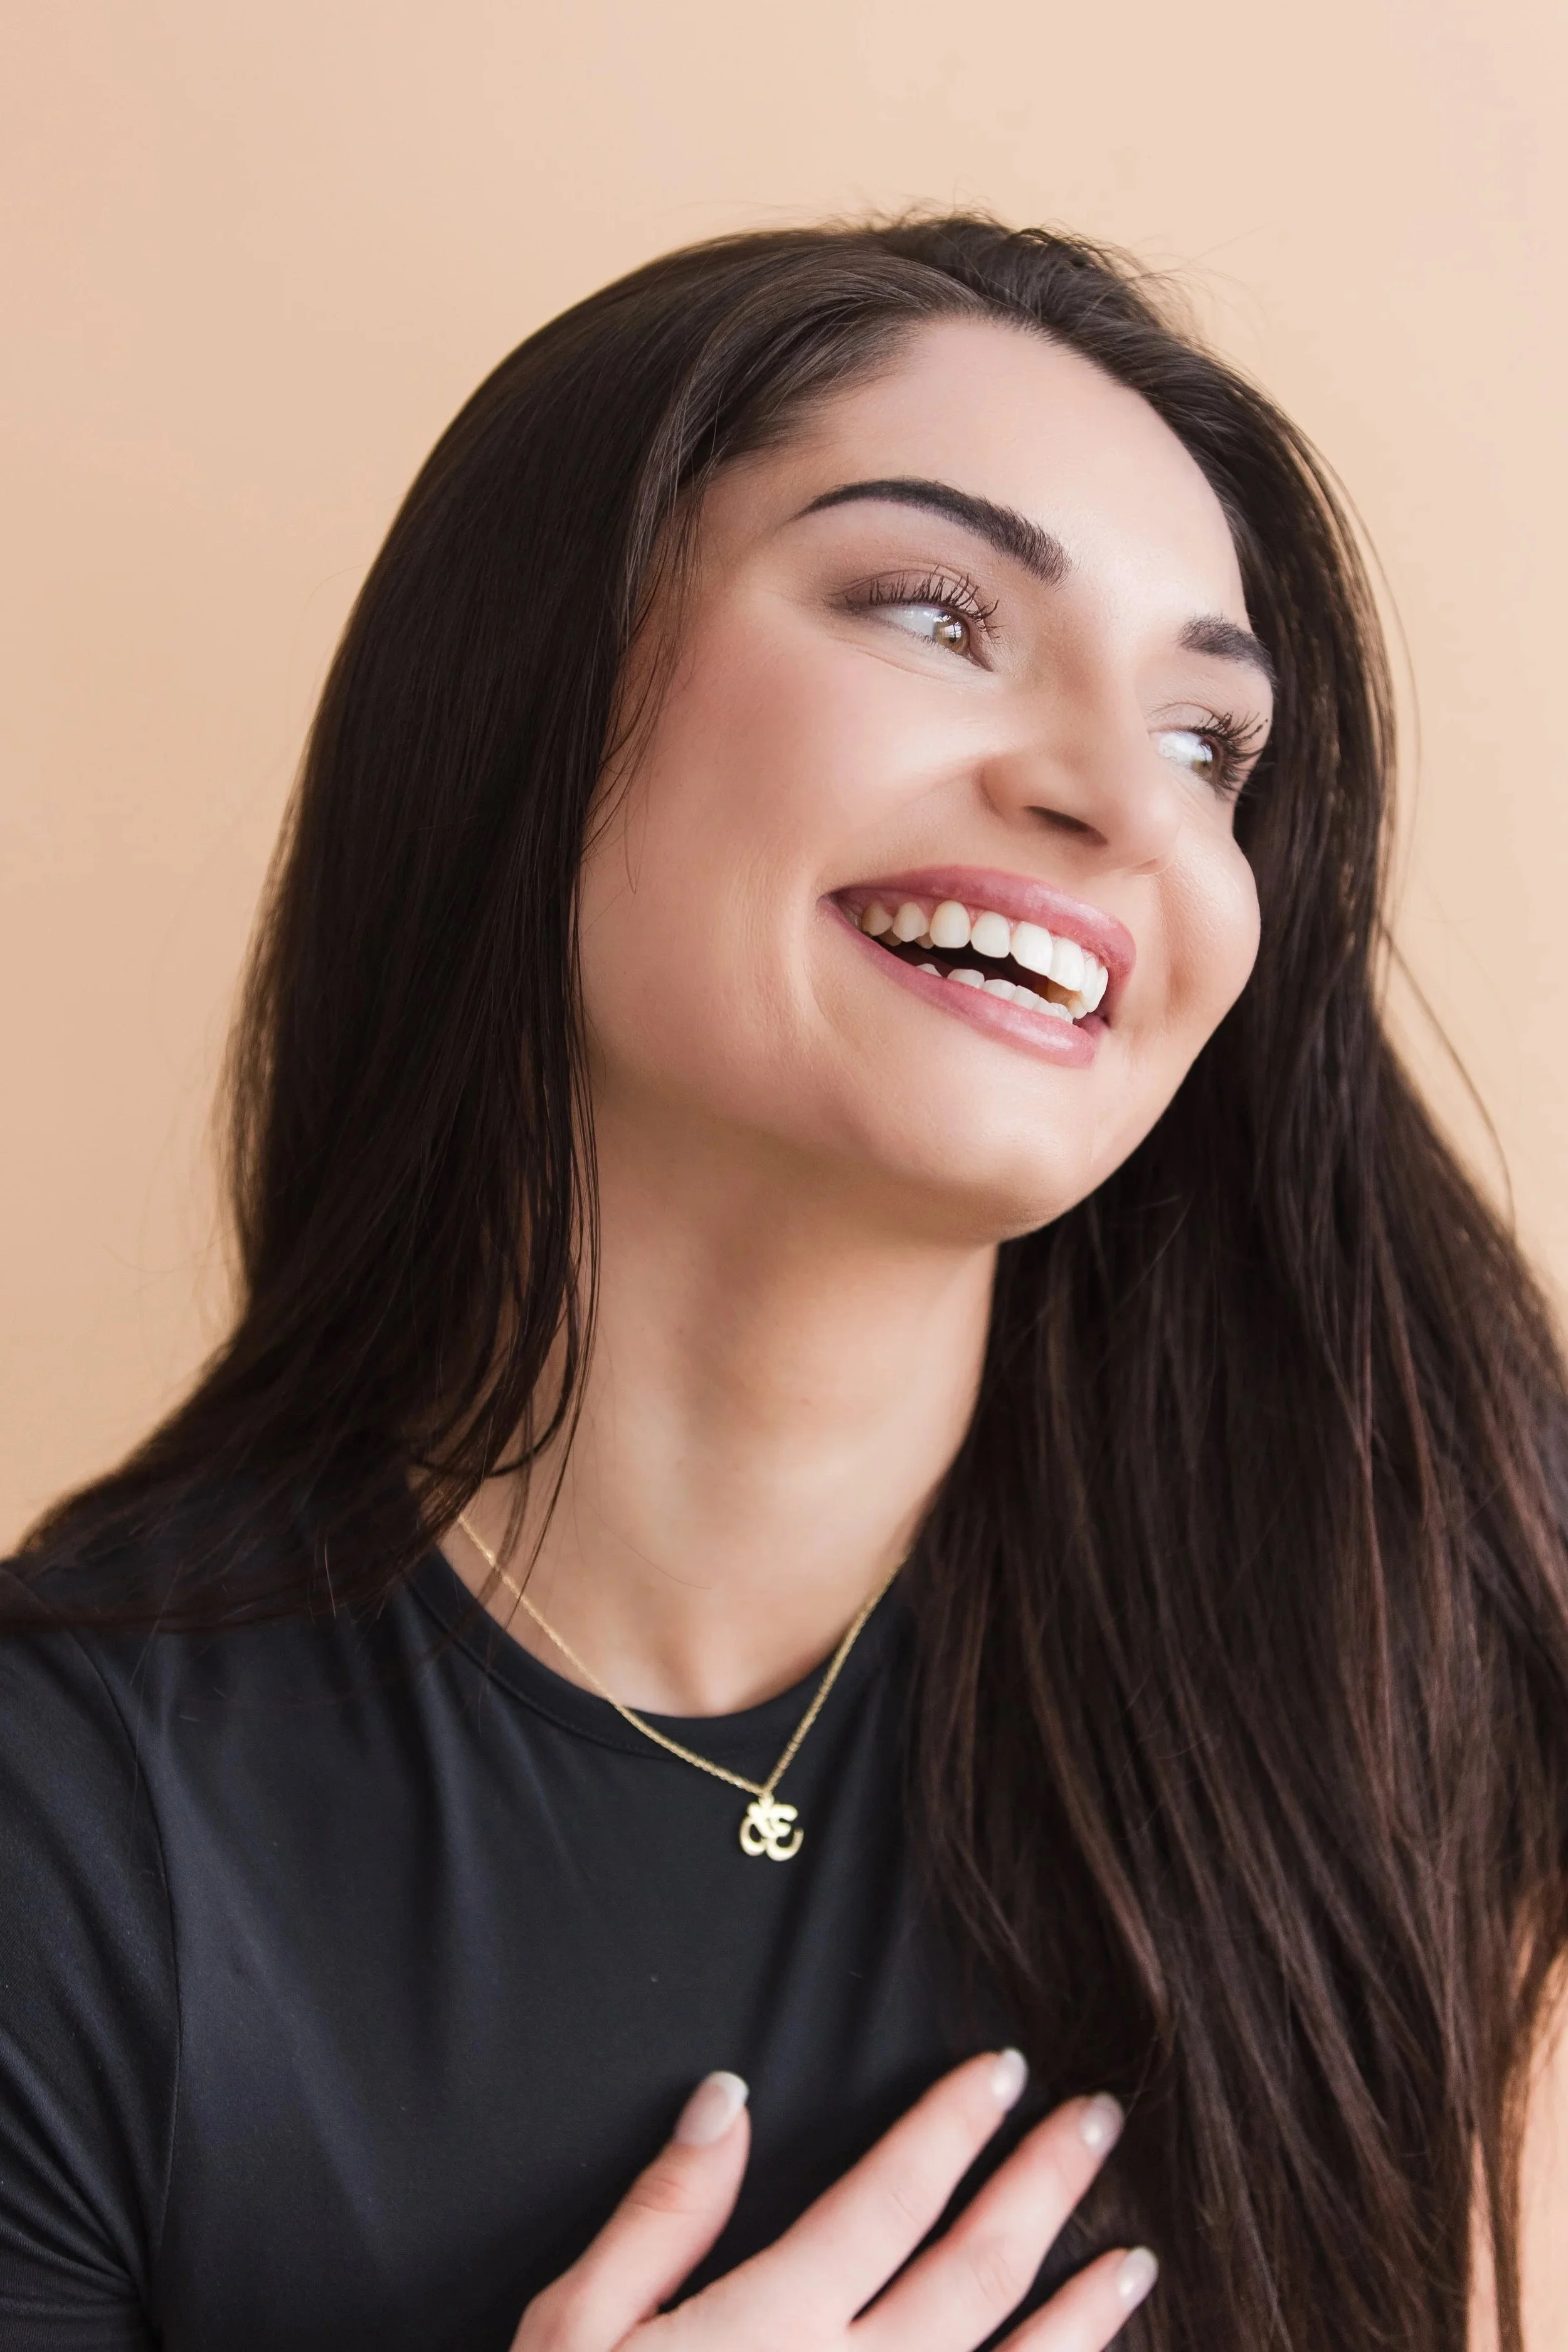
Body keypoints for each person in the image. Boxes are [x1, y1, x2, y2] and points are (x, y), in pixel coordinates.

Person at [5, 216, 1566, 2352]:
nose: (1116, 796)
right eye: (937, 610)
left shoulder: (1455, 1663)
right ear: (542, 673)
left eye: (1213, 747)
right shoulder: (65, 1832)